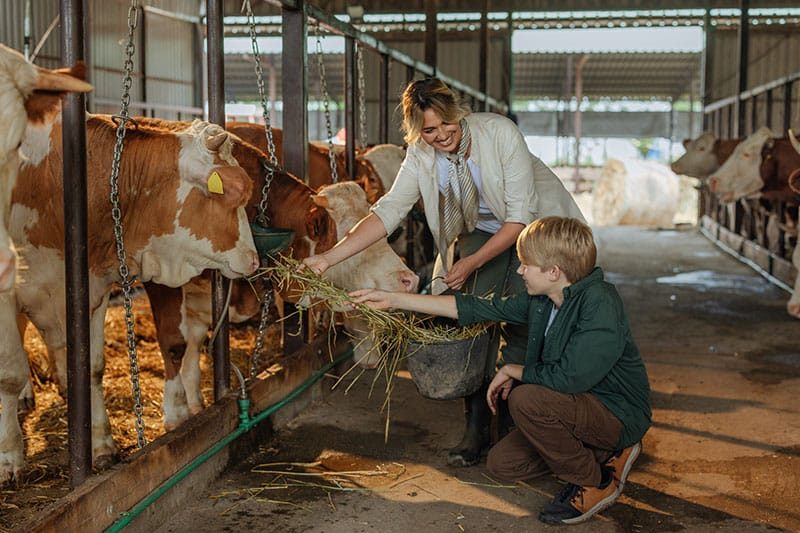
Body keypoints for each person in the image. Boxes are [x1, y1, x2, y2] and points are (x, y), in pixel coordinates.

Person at [303, 77, 584, 467]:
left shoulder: (499, 133)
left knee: (526, 317)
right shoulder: (420, 153)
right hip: (477, 230)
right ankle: (475, 427)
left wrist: (469, 262)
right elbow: (387, 211)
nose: (440, 136)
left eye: (445, 125)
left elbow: (518, 216)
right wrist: (328, 258)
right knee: (467, 317)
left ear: (459, 113)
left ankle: (517, 423)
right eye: (429, 130)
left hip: (533, 229)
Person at [350, 216, 651, 525]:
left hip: (615, 412)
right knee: (502, 464)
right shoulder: (543, 300)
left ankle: (594, 481)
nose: (519, 270)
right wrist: (393, 300)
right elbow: (476, 307)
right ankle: (604, 452)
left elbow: (570, 378)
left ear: (553, 272)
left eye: (526, 264)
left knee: (526, 400)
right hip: (575, 409)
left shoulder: (600, 303)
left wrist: (511, 369)